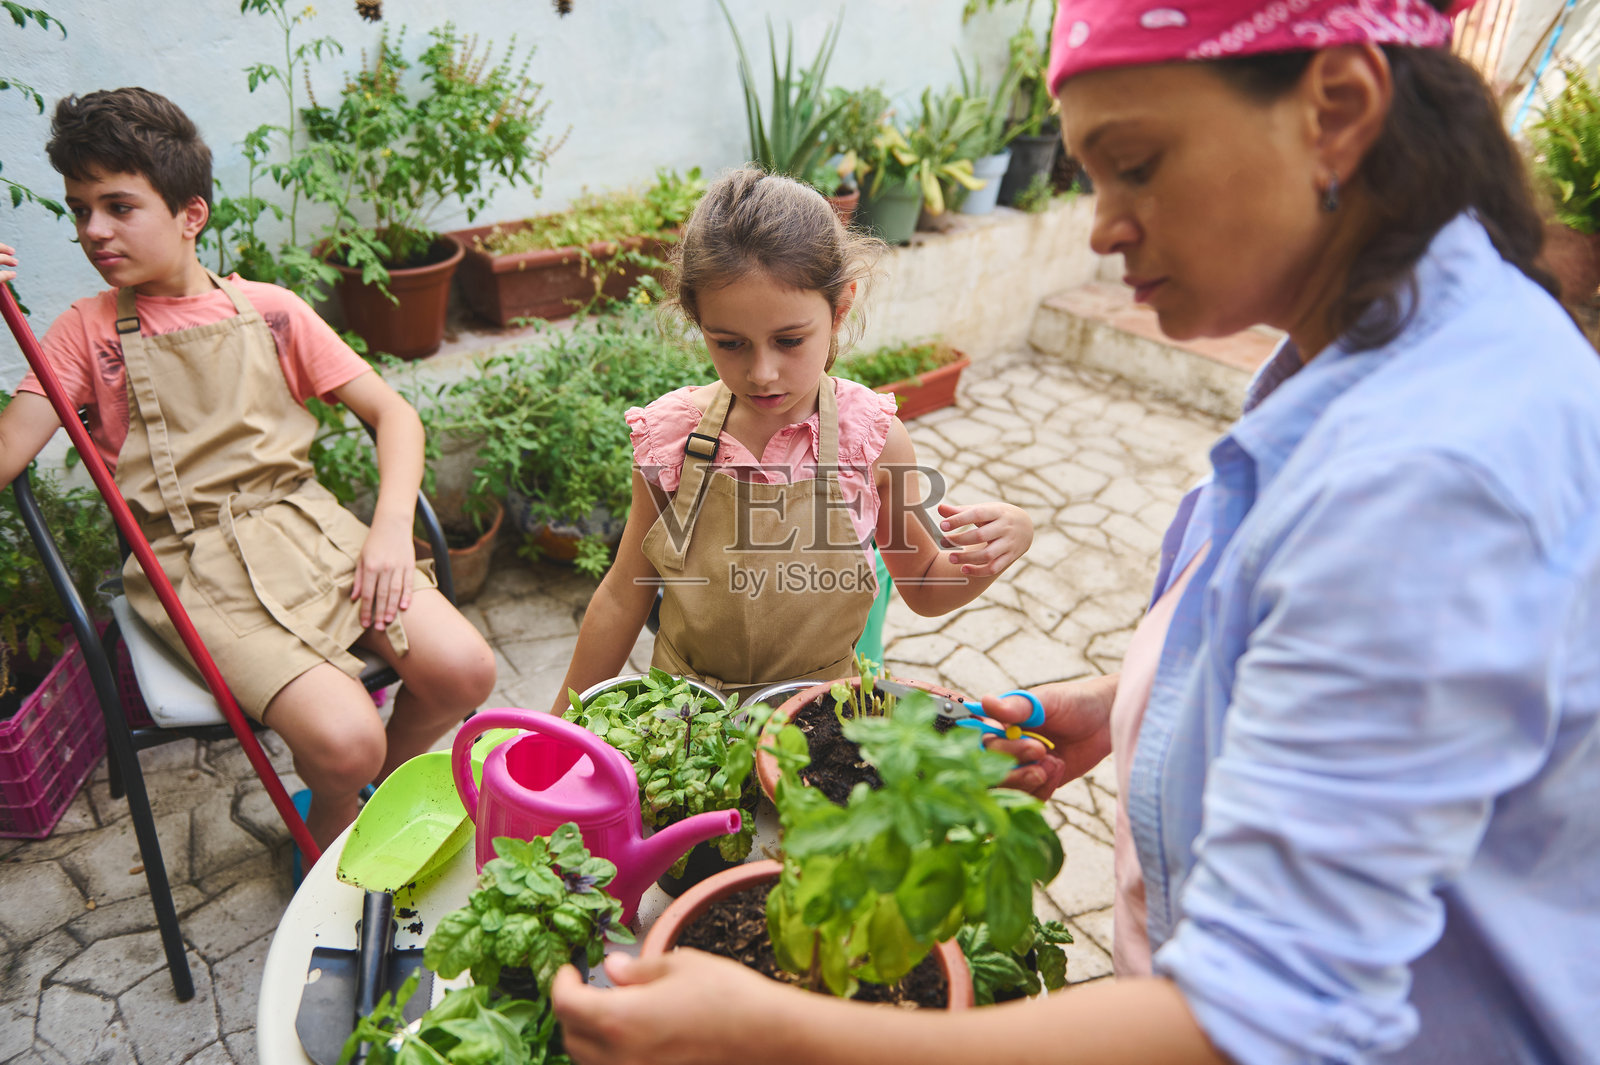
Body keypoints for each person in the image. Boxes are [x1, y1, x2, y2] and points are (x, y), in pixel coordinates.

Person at [550, 2, 1600, 1063]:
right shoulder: (1363, 387)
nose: (1099, 227)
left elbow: (1274, 1014)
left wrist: (779, 1032)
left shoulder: (1434, 470)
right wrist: (1137, 706)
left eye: (1134, 164)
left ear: (1336, 110)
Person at [0, 88, 496, 854]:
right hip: (190, 562)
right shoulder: (81, 332)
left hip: (308, 526)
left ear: (189, 214)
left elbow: (395, 415)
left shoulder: (271, 311)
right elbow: (6, 458)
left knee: (464, 670)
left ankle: (371, 807)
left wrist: (392, 529)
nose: (93, 231)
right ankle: (330, 833)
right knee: (346, 740)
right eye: (79, 210)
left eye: (118, 206)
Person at [551, 169, 1033, 706]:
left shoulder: (872, 441)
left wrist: (995, 550)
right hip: (683, 721)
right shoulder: (673, 438)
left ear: (840, 308)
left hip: (818, 724)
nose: (762, 372)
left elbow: (922, 582)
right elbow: (623, 596)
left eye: (789, 340)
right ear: (697, 321)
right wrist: (559, 731)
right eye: (730, 342)